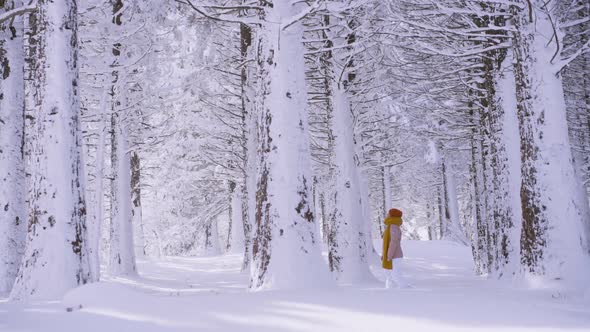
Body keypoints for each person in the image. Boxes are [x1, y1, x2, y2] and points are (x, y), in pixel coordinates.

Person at [382, 208, 410, 289]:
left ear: (392, 215)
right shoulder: (390, 226)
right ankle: (389, 292)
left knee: (395, 275)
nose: (387, 215)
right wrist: (384, 255)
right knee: (389, 275)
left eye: (389, 213)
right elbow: (386, 243)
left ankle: (408, 290)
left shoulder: (393, 227)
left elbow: (394, 242)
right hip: (390, 255)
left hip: (395, 256)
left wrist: (389, 255)